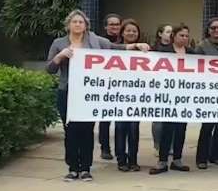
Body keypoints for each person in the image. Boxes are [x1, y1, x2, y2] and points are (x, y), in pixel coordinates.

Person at [47, 10, 149, 182]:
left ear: (86, 25)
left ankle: (86, 168)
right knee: (70, 131)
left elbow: (115, 47)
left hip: (89, 94)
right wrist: (60, 56)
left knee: (87, 131)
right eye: (74, 22)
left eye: (81, 22)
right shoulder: (59, 43)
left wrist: (136, 46)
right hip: (67, 92)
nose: (78, 25)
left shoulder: (95, 41)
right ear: (68, 25)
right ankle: (73, 168)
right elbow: (50, 68)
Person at [150, 24, 193, 174]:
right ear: (173, 36)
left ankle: (177, 159)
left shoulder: (192, 53)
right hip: (168, 96)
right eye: (182, 35)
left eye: (187, 36)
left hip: (185, 96)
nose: (185, 38)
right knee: (167, 128)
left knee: (181, 128)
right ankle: (162, 161)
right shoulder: (164, 52)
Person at [194, 18, 218, 169]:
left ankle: (216, 155)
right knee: (207, 126)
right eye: (213, 28)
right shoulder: (201, 47)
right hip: (208, 91)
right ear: (208, 30)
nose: (217, 31)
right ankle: (201, 158)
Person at [114, 19, 146, 172]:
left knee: (134, 129)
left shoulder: (144, 52)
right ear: (122, 32)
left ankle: (133, 160)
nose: (131, 33)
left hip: (137, 96)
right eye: (128, 30)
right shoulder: (114, 50)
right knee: (120, 128)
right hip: (119, 95)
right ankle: (121, 160)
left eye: (134, 31)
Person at [98, 13, 122, 160]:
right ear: (106, 26)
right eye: (111, 24)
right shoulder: (99, 42)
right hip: (105, 84)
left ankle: (120, 149)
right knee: (105, 119)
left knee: (120, 120)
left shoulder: (124, 40)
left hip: (123, 85)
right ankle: (105, 148)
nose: (115, 27)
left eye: (117, 24)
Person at [151, 24, 174, 157]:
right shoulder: (154, 49)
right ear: (160, 34)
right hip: (158, 87)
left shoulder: (175, 49)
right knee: (158, 119)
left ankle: (169, 145)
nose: (169, 34)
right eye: (167, 32)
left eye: (171, 32)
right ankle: (158, 145)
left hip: (173, 87)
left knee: (171, 119)